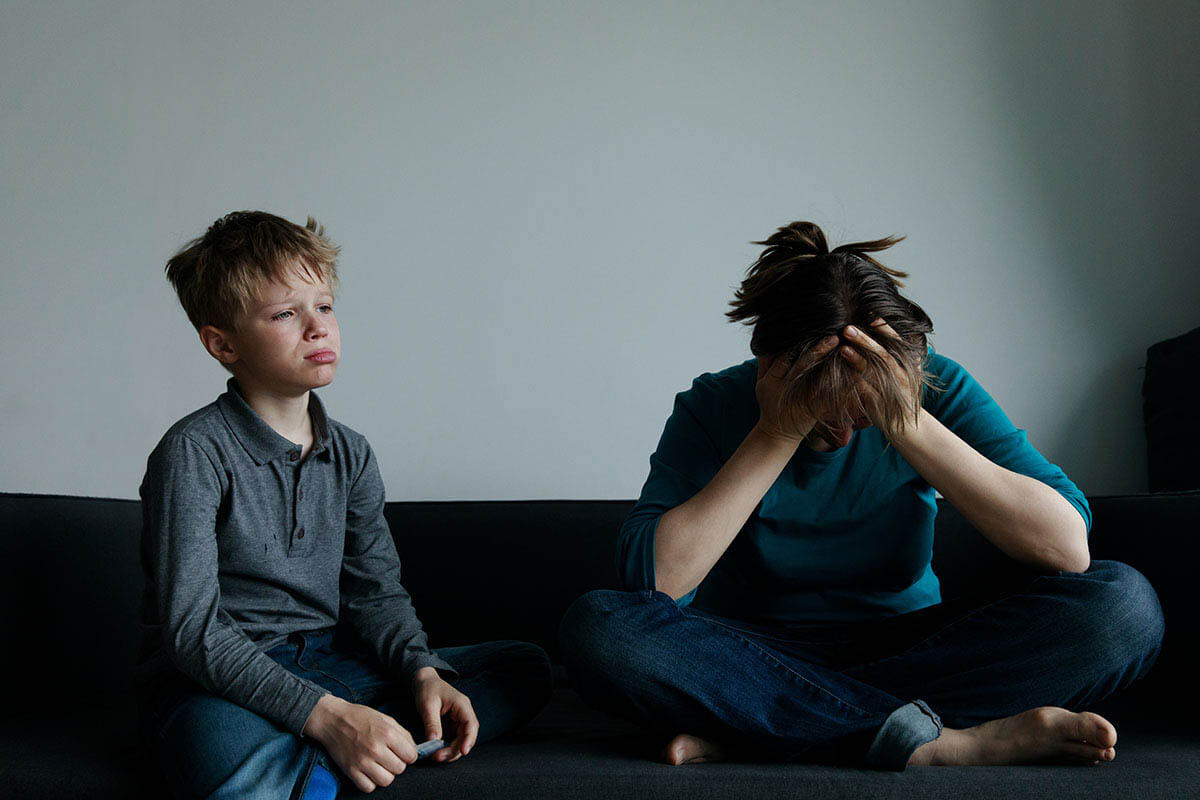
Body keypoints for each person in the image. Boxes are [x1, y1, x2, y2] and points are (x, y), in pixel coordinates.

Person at [559, 220, 1164, 771]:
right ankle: (947, 743)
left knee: (1124, 608)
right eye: (824, 404)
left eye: (862, 409)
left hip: (914, 643)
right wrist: (778, 429)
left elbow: (1067, 550)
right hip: (748, 655)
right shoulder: (715, 405)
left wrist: (904, 419)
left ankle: (767, 731)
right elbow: (654, 582)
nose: (845, 428)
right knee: (600, 627)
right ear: (767, 363)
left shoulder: (935, 385)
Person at [137, 211, 553, 799]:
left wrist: (421, 672)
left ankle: (337, 752)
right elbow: (193, 631)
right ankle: (337, 744)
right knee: (218, 753)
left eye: (324, 307)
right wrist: (325, 715)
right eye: (285, 314)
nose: (317, 328)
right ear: (222, 343)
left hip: (334, 663)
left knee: (523, 666)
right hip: (220, 680)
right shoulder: (193, 452)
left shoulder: (352, 453)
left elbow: (374, 592)